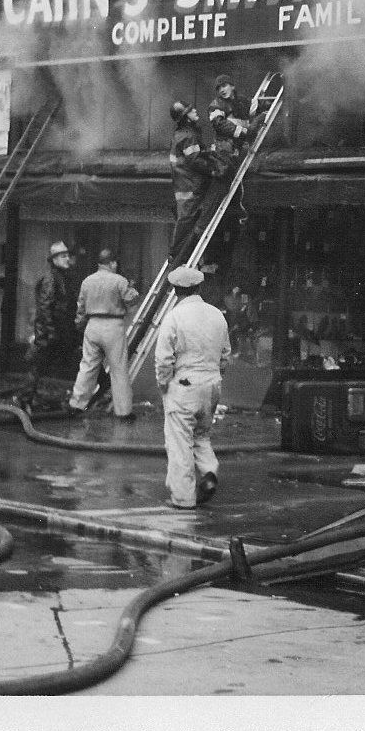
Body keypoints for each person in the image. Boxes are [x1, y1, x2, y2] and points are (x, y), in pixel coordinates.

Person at [152, 265, 230, 509]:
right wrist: (215, 376)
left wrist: (164, 384)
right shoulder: (217, 315)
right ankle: (209, 472)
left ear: (176, 291)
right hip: (212, 384)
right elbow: (225, 354)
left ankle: (183, 498)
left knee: (179, 442)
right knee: (201, 435)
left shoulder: (174, 317)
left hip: (184, 385)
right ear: (198, 287)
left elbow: (163, 358)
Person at [68, 248, 140, 420]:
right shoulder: (119, 281)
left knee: (87, 366)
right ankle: (123, 412)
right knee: (118, 369)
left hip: (92, 325)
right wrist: (133, 289)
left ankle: (76, 405)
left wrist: (80, 326)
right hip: (113, 326)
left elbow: (81, 308)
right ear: (112, 263)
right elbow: (131, 299)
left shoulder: (87, 281)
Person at [18, 240, 79, 408]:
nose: (67, 259)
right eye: (63, 256)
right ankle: (24, 400)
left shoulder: (61, 277)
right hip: (50, 333)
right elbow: (45, 307)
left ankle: (27, 398)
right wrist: (51, 332)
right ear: (54, 259)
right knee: (38, 366)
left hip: (57, 332)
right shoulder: (51, 279)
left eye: (67, 255)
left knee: (40, 366)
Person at [168, 99, 223, 259]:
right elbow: (195, 160)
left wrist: (207, 151)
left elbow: (195, 154)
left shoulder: (183, 134)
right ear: (185, 117)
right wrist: (213, 170)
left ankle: (179, 253)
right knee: (186, 219)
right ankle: (176, 255)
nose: (195, 111)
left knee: (187, 218)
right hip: (190, 185)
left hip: (185, 183)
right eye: (191, 111)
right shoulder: (187, 136)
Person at [207, 74, 252, 174]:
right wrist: (242, 131)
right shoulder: (216, 105)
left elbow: (254, 109)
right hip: (225, 148)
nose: (221, 90)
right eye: (218, 88)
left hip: (241, 146)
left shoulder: (242, 101)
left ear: (232, 86)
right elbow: (219, 124)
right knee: (226, 175)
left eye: (224, 86)